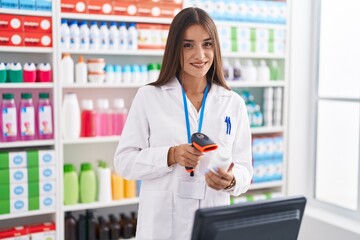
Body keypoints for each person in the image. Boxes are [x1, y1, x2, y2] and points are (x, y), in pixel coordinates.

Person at [114, 7, 253, 240]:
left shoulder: (233, 103)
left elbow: (244, 169)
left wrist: (232, 180)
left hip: (212, 225)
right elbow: (124, 161)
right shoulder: (149, 97)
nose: (199, 55)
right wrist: (170, 155)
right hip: (162, 229)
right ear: (175, 49)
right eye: (188, 45)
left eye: (207, 44)